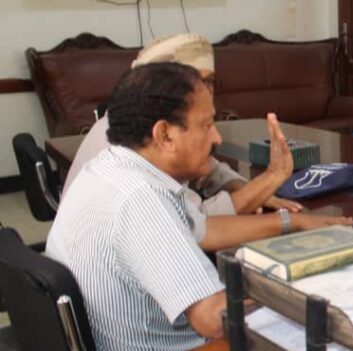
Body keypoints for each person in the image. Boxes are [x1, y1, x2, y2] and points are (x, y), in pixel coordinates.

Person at [45, 62, 351, 351]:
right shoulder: (140, 201)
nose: (217, 137)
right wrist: (314, 287)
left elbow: (201, 229)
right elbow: (212, 318)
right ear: (164, 134)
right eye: (206, 125)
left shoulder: (109, 169)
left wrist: (291, 222)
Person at [64, 32, 302, 217]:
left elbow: (210, 170)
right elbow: (196, 221)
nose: (207, 91)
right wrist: (268, 183)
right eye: (199, 81)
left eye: (211, 82)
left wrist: (250, 191)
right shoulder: (132, 141)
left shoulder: (149, 121)